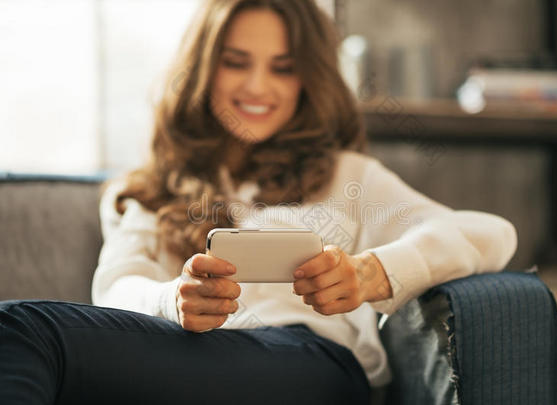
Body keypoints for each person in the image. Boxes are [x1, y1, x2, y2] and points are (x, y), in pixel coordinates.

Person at [0, 1, 518, 404]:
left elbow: (491, 234)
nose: (257, 87)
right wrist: (171, 300)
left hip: (309, 365)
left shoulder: (347, 176)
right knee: (17, 335)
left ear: (307, 80)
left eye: (283, 68)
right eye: (236, 62)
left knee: (20, 331)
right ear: (205, 70)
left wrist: (371, 273)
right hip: (177, 356)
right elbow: (116, 286)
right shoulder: (148, 190)